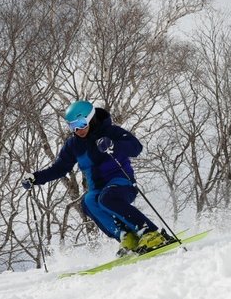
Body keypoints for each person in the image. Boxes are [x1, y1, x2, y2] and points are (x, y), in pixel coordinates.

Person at [21, 100, 170, 256]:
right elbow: (59, 168)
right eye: (73, 126)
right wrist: (35, 178)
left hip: (122, 183)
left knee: (107, 198)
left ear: (91, 118)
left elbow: (136, 147)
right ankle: (127, 236)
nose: (78, 129)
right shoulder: (73, 145)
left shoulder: (110, 132)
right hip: (97, 189)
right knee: (88, 202)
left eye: (81, 123)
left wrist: (113, 145)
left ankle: (151, 233)